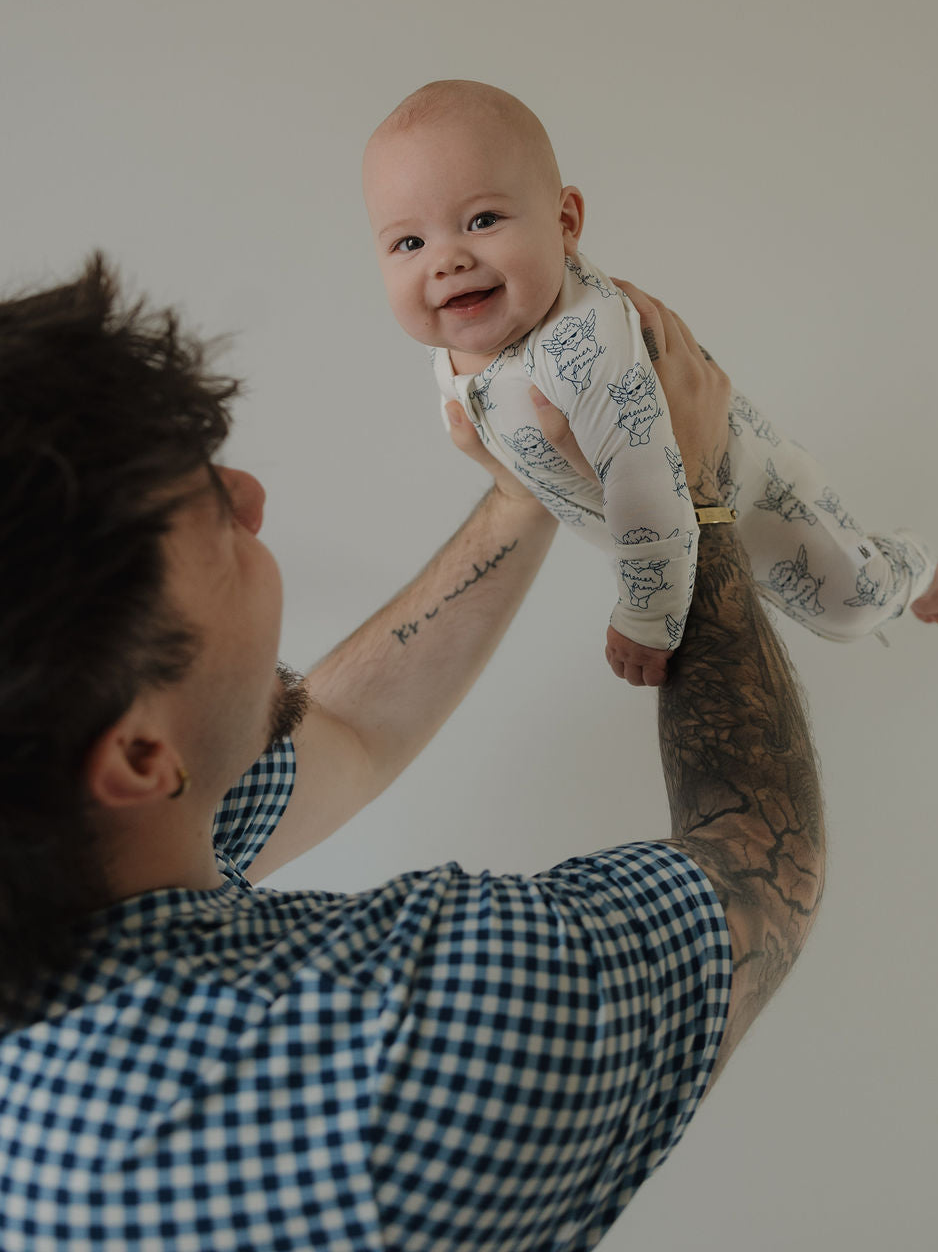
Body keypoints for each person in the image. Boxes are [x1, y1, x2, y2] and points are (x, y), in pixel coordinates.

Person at [0, 252, 822, 1250]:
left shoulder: (77, 857)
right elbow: (759, 859)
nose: (252, 495)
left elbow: (348, 732)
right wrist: (691, 503)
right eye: (211, 521)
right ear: (134, 756)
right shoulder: (385, 1061)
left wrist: (527, 491)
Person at [364, 79, 938, 686]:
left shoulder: (583, 346)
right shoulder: (467, 334)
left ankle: (914, 561)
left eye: (482, 220)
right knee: (754, 610)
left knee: (850, 608)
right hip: (681, 535)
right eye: (409, 241)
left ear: (565, 221)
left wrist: (647, 619)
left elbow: (645, 491)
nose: (446, 260)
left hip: (759, 502)